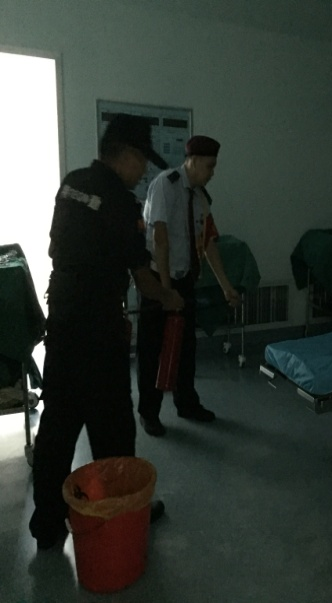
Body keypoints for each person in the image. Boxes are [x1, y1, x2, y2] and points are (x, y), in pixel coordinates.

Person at [29, 114, 184, 550]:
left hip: (62, 323)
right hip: (99, 335)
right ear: (128, 156)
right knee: (113, 430)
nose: (142, 172)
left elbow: (54, 247)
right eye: (141, 162)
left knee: (57, 427)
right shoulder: (121, 203)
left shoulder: (71, 185)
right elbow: (143, 279)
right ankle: (121, 516)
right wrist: (169, 298)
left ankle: (46, 524)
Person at [136, 134, 240, 437]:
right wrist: (166, 291)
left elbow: (208, 243)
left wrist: (226, 286)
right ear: (191, 161)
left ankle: (187, 404)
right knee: (152, 351)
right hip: (158, 281)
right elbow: (160, 239)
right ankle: (149, 413)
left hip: (183, 281)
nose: (212, 173)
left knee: (185, 347)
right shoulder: (165, 185)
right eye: (209, 166)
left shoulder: (200, 197)